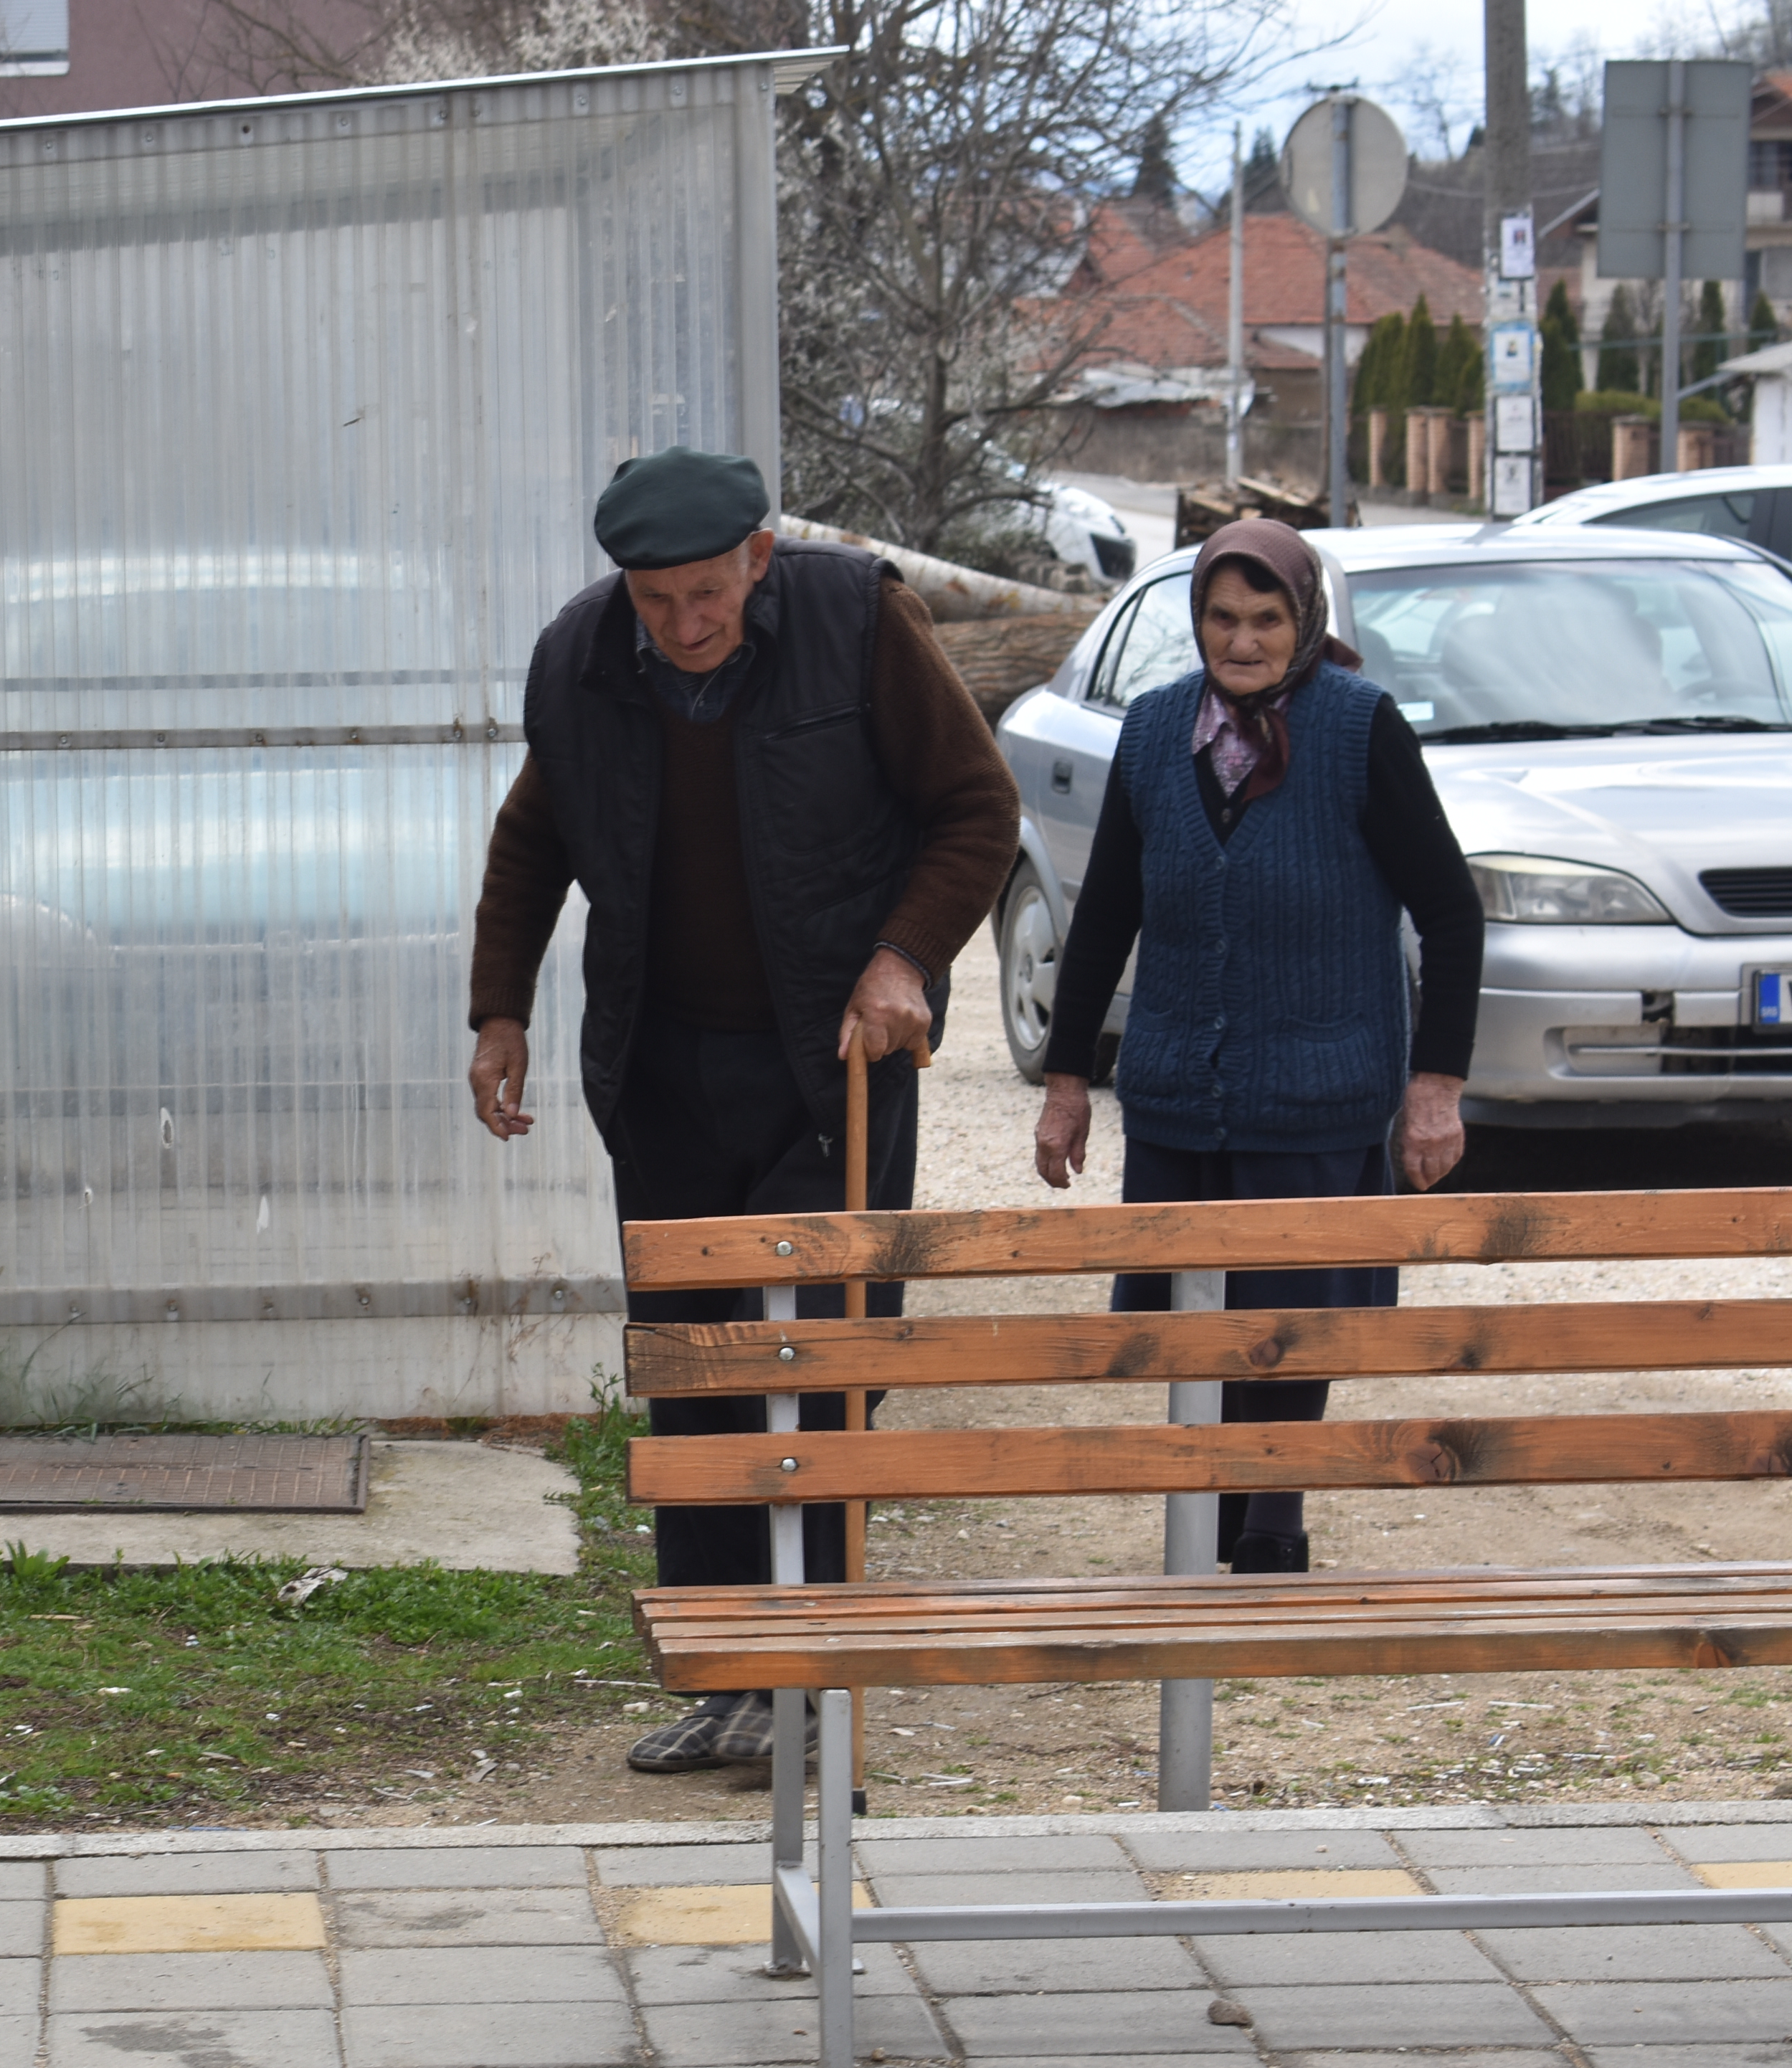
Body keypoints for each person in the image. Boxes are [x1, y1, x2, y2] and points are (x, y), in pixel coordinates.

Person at [467, 447, 1021, 1770]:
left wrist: (904, 961)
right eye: (656, 603)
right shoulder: (583, 660)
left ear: (758, 560)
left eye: (707, 595)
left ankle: (815, 1671)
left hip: (829, 1067)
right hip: (664, 1073)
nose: (685, 626)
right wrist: (502, 1008)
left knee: (818, 1370)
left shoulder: (858, 620)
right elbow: (537, 835)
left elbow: (975, 808)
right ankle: (727, 1672)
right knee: (695, 1372)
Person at [1032, 518, 1484, 1573]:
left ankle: (1271, 1518)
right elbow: (1102, 918)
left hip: (1318, 1089)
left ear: (1304, 620)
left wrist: (1437, 1087)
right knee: (1190, 1326)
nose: (1242, 641)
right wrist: (1064, 1082)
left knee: (1292, 1322)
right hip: (1180, 1090)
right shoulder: (1150, 734)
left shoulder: (1357, 727)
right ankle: (1205, 1511)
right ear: (1196, 621)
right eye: (1222, 619)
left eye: (1266, 619)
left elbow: (1451, 914)